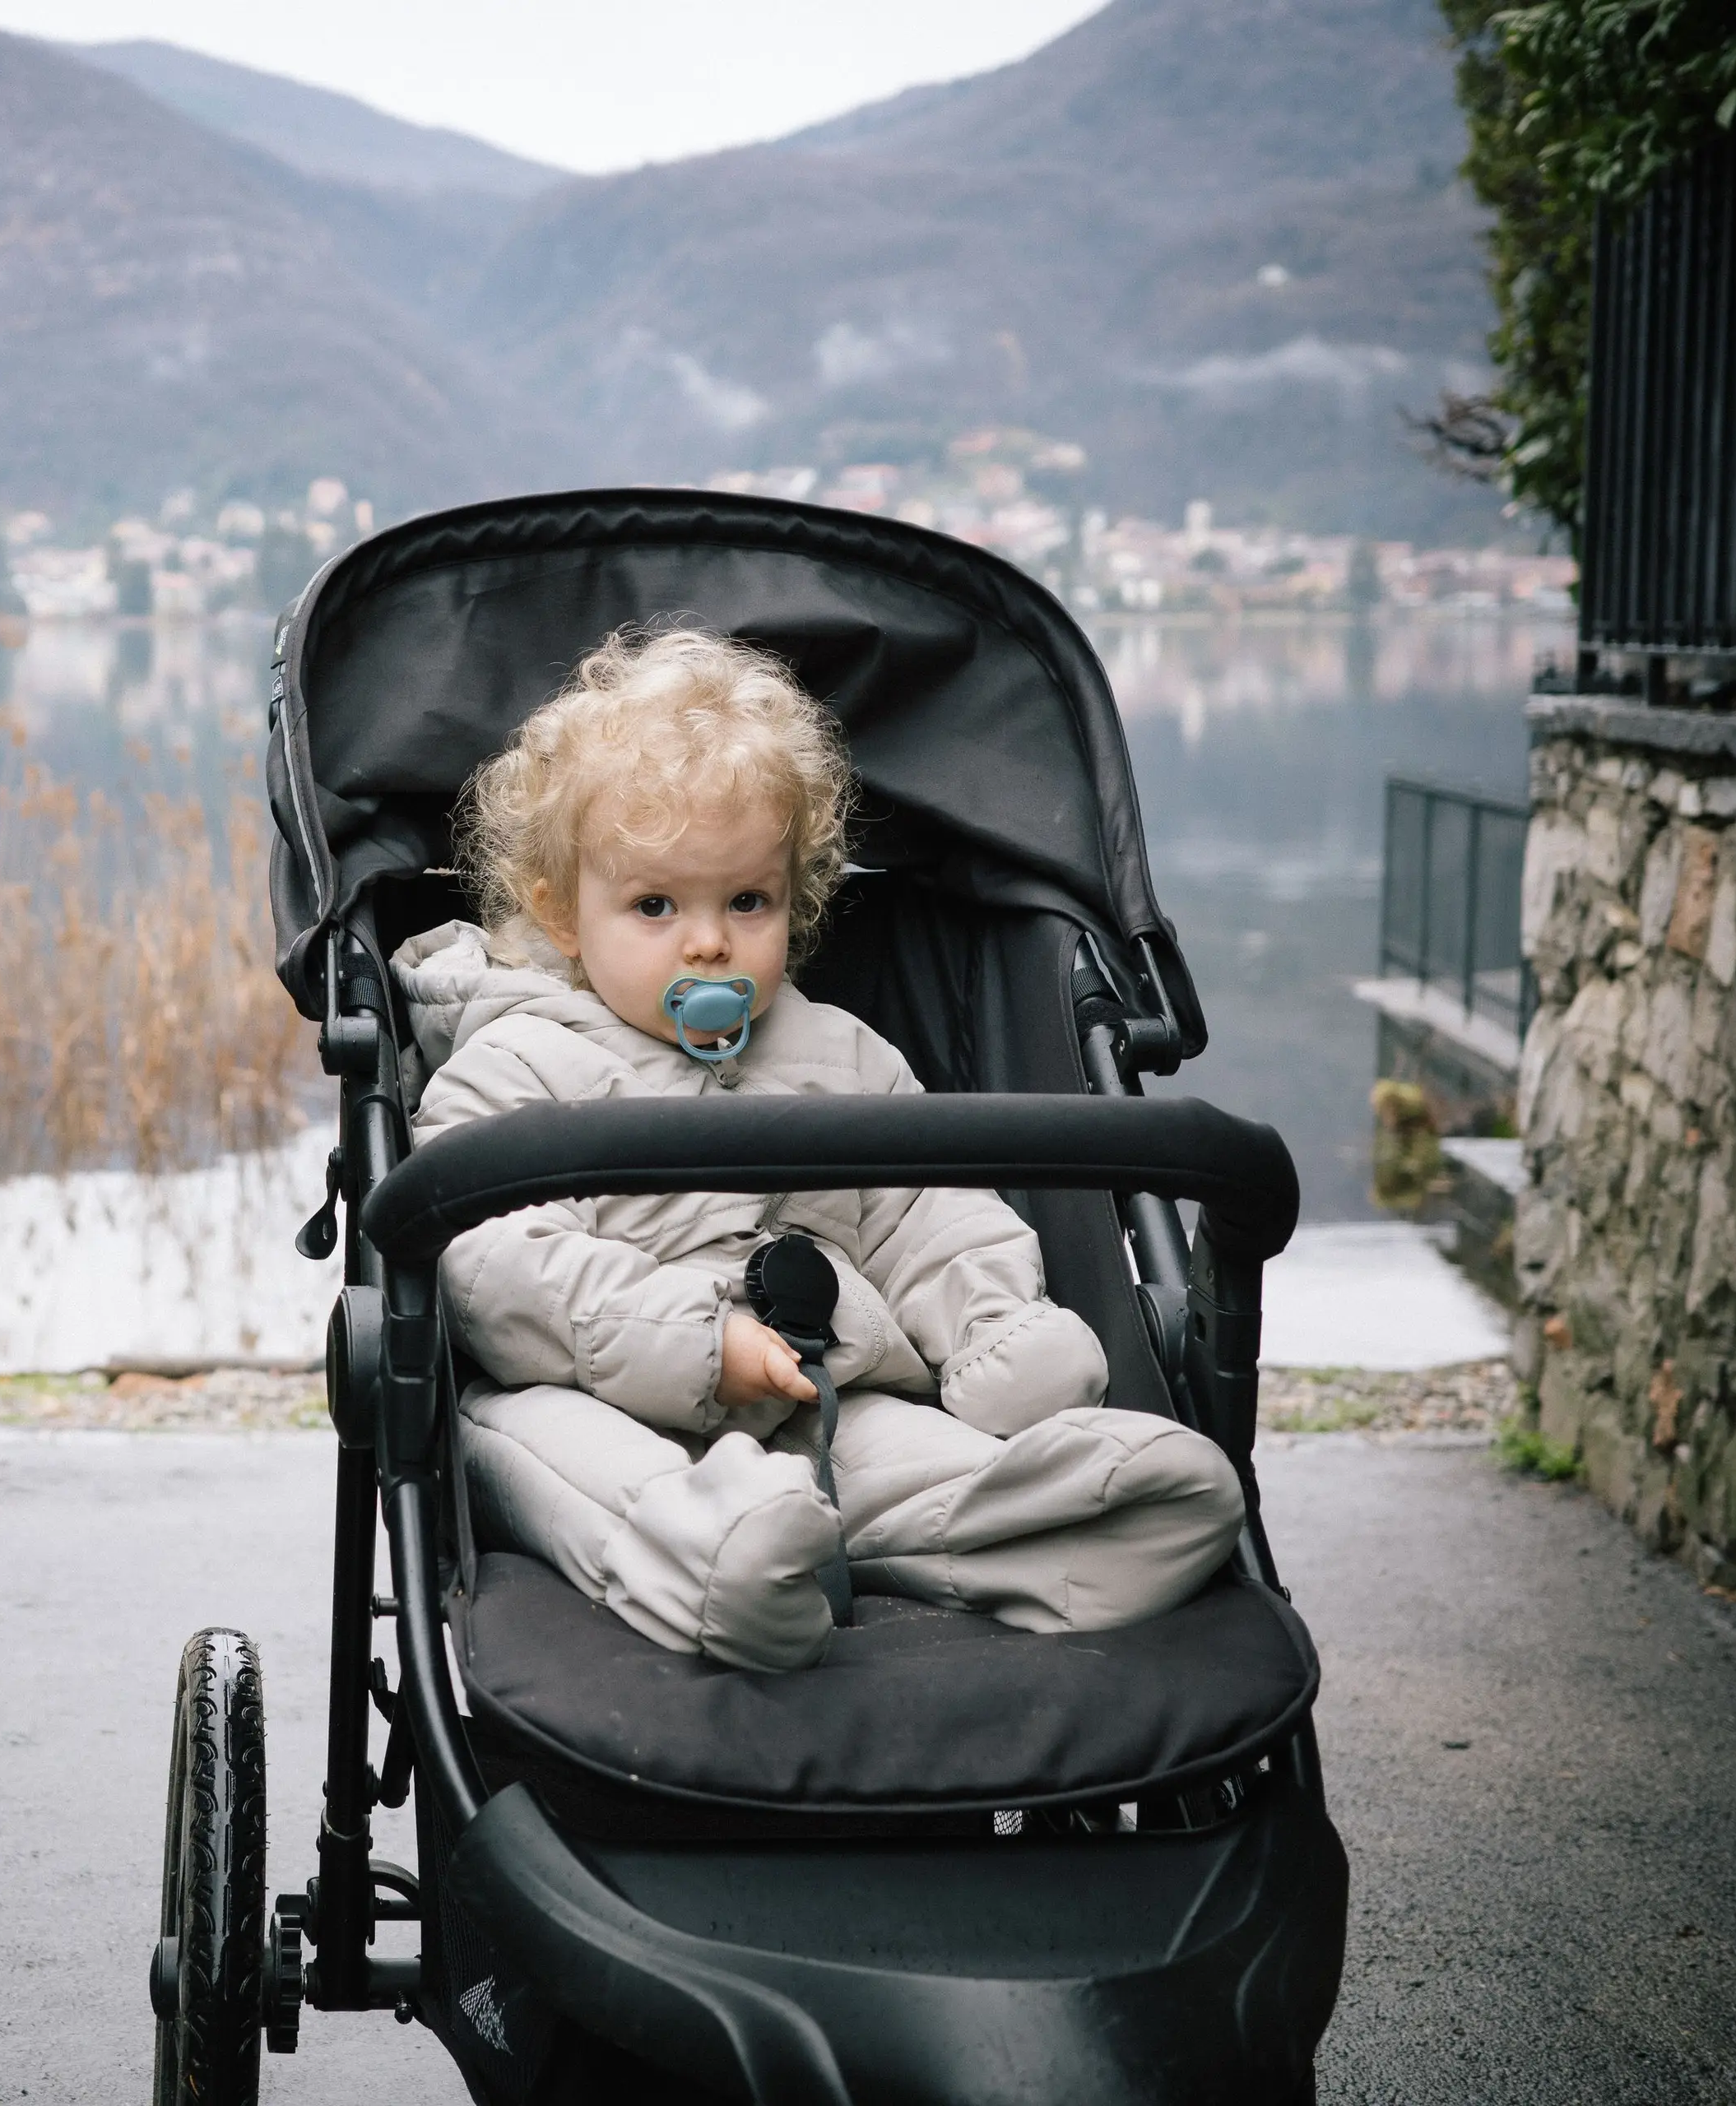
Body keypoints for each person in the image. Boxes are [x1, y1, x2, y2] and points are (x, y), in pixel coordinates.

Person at [392, 625, 1245, 1672]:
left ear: (792, 899)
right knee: (551, 1457)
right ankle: (721, 1563)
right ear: (564, 913)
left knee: (1156, 1489)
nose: (708, 942)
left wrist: (991, 1327)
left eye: (746, 902)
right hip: (593, 1412)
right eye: (655, 905)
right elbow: (494, 1266)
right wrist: (705, 1346)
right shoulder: (514, 1062)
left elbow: (932, 1213)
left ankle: (1024, 1518)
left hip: (832, 1412)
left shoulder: (842, 1055)